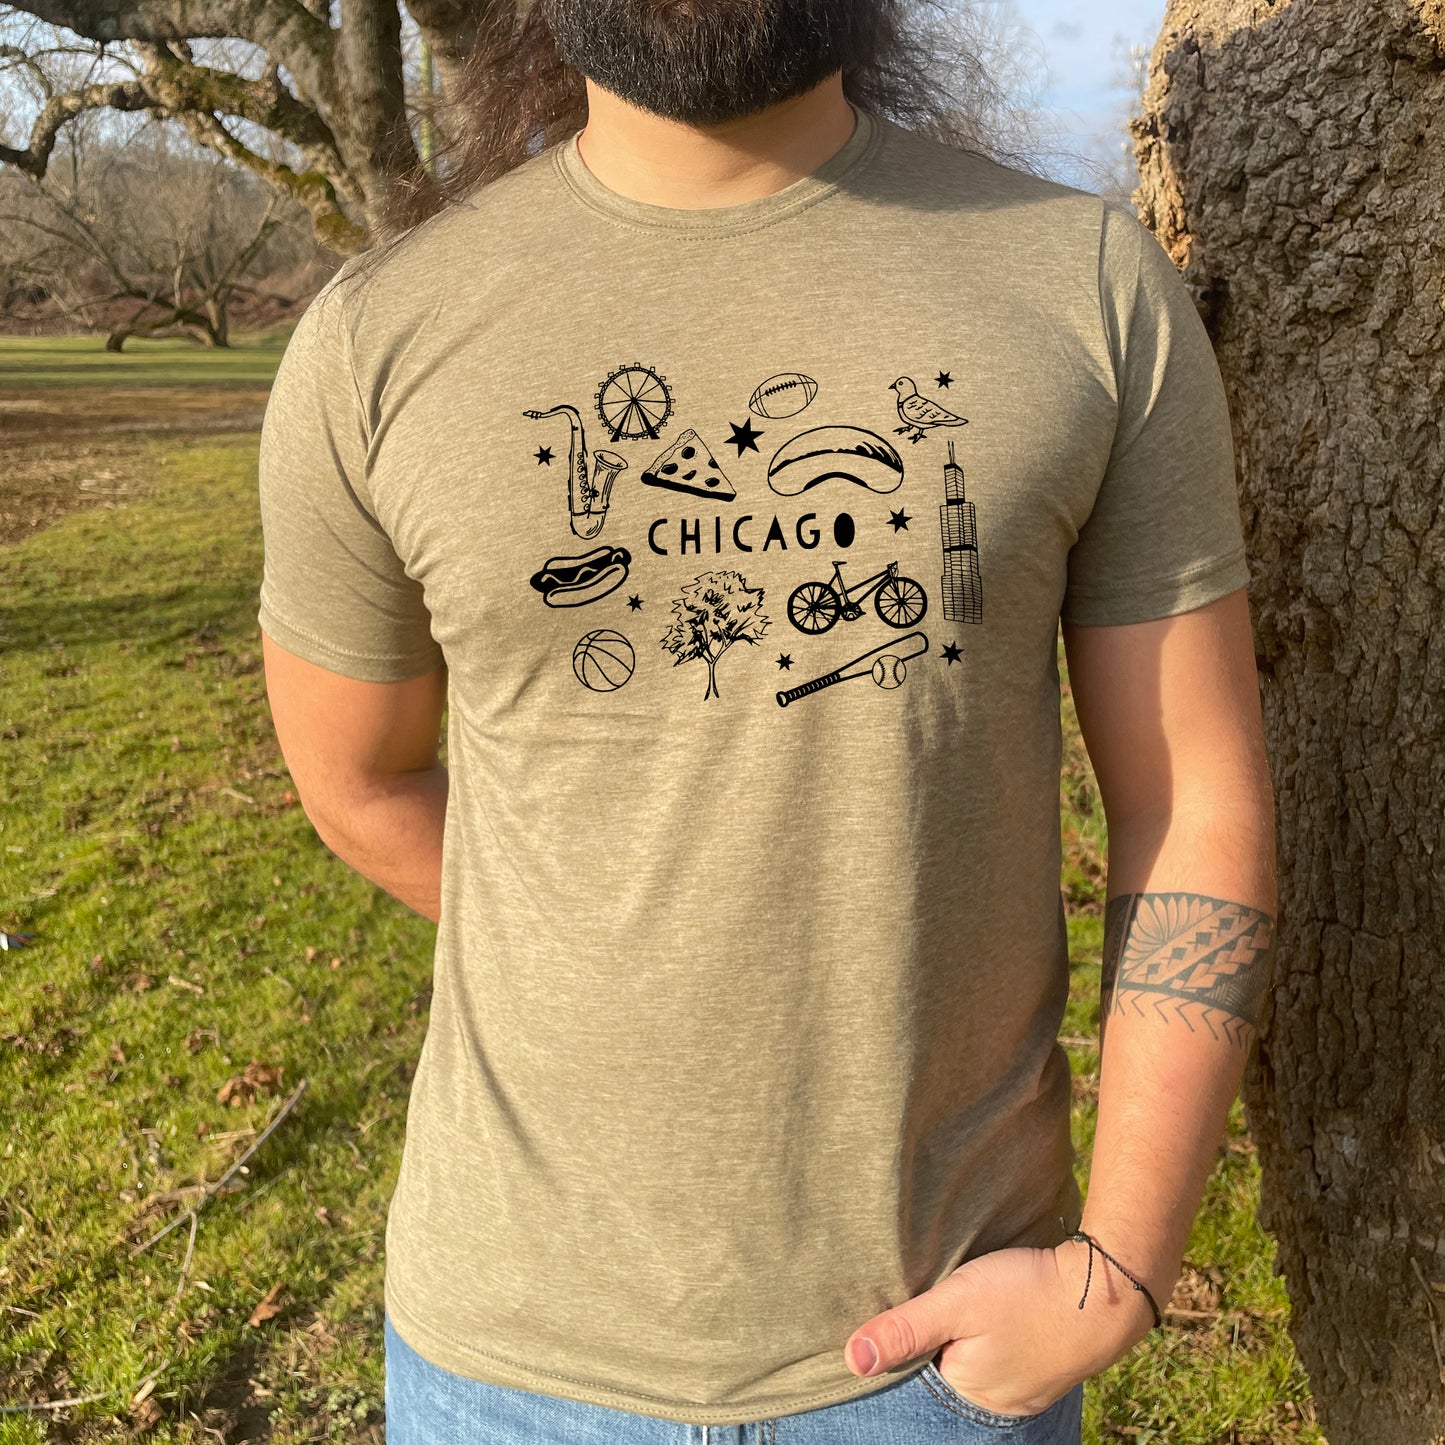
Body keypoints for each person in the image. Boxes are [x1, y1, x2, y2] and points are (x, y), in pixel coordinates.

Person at [256, 0, 1279, 1439]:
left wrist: (1114, 1271)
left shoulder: (1081, 286)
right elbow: (356, 781)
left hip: (935, 1367)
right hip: (506, 1368)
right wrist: (623, 950)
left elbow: (1191, 800)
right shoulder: (377, 340)